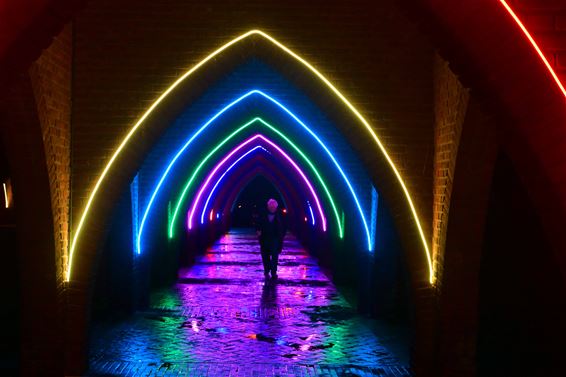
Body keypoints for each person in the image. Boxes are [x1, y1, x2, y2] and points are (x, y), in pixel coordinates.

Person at [256, 198, 286, 279]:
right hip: (265, 238)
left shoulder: (280, 215)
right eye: (270, 206)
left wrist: (282, 235)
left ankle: (273, 272)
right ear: (268, 206)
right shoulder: (263, 214)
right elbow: (258, 223)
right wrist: (258, 231)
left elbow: (284, 225)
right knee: (265, 256)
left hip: (275, 238)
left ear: (276, 207)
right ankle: (266, 270)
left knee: (275, 256)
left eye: (273, 206)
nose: (272, 208)